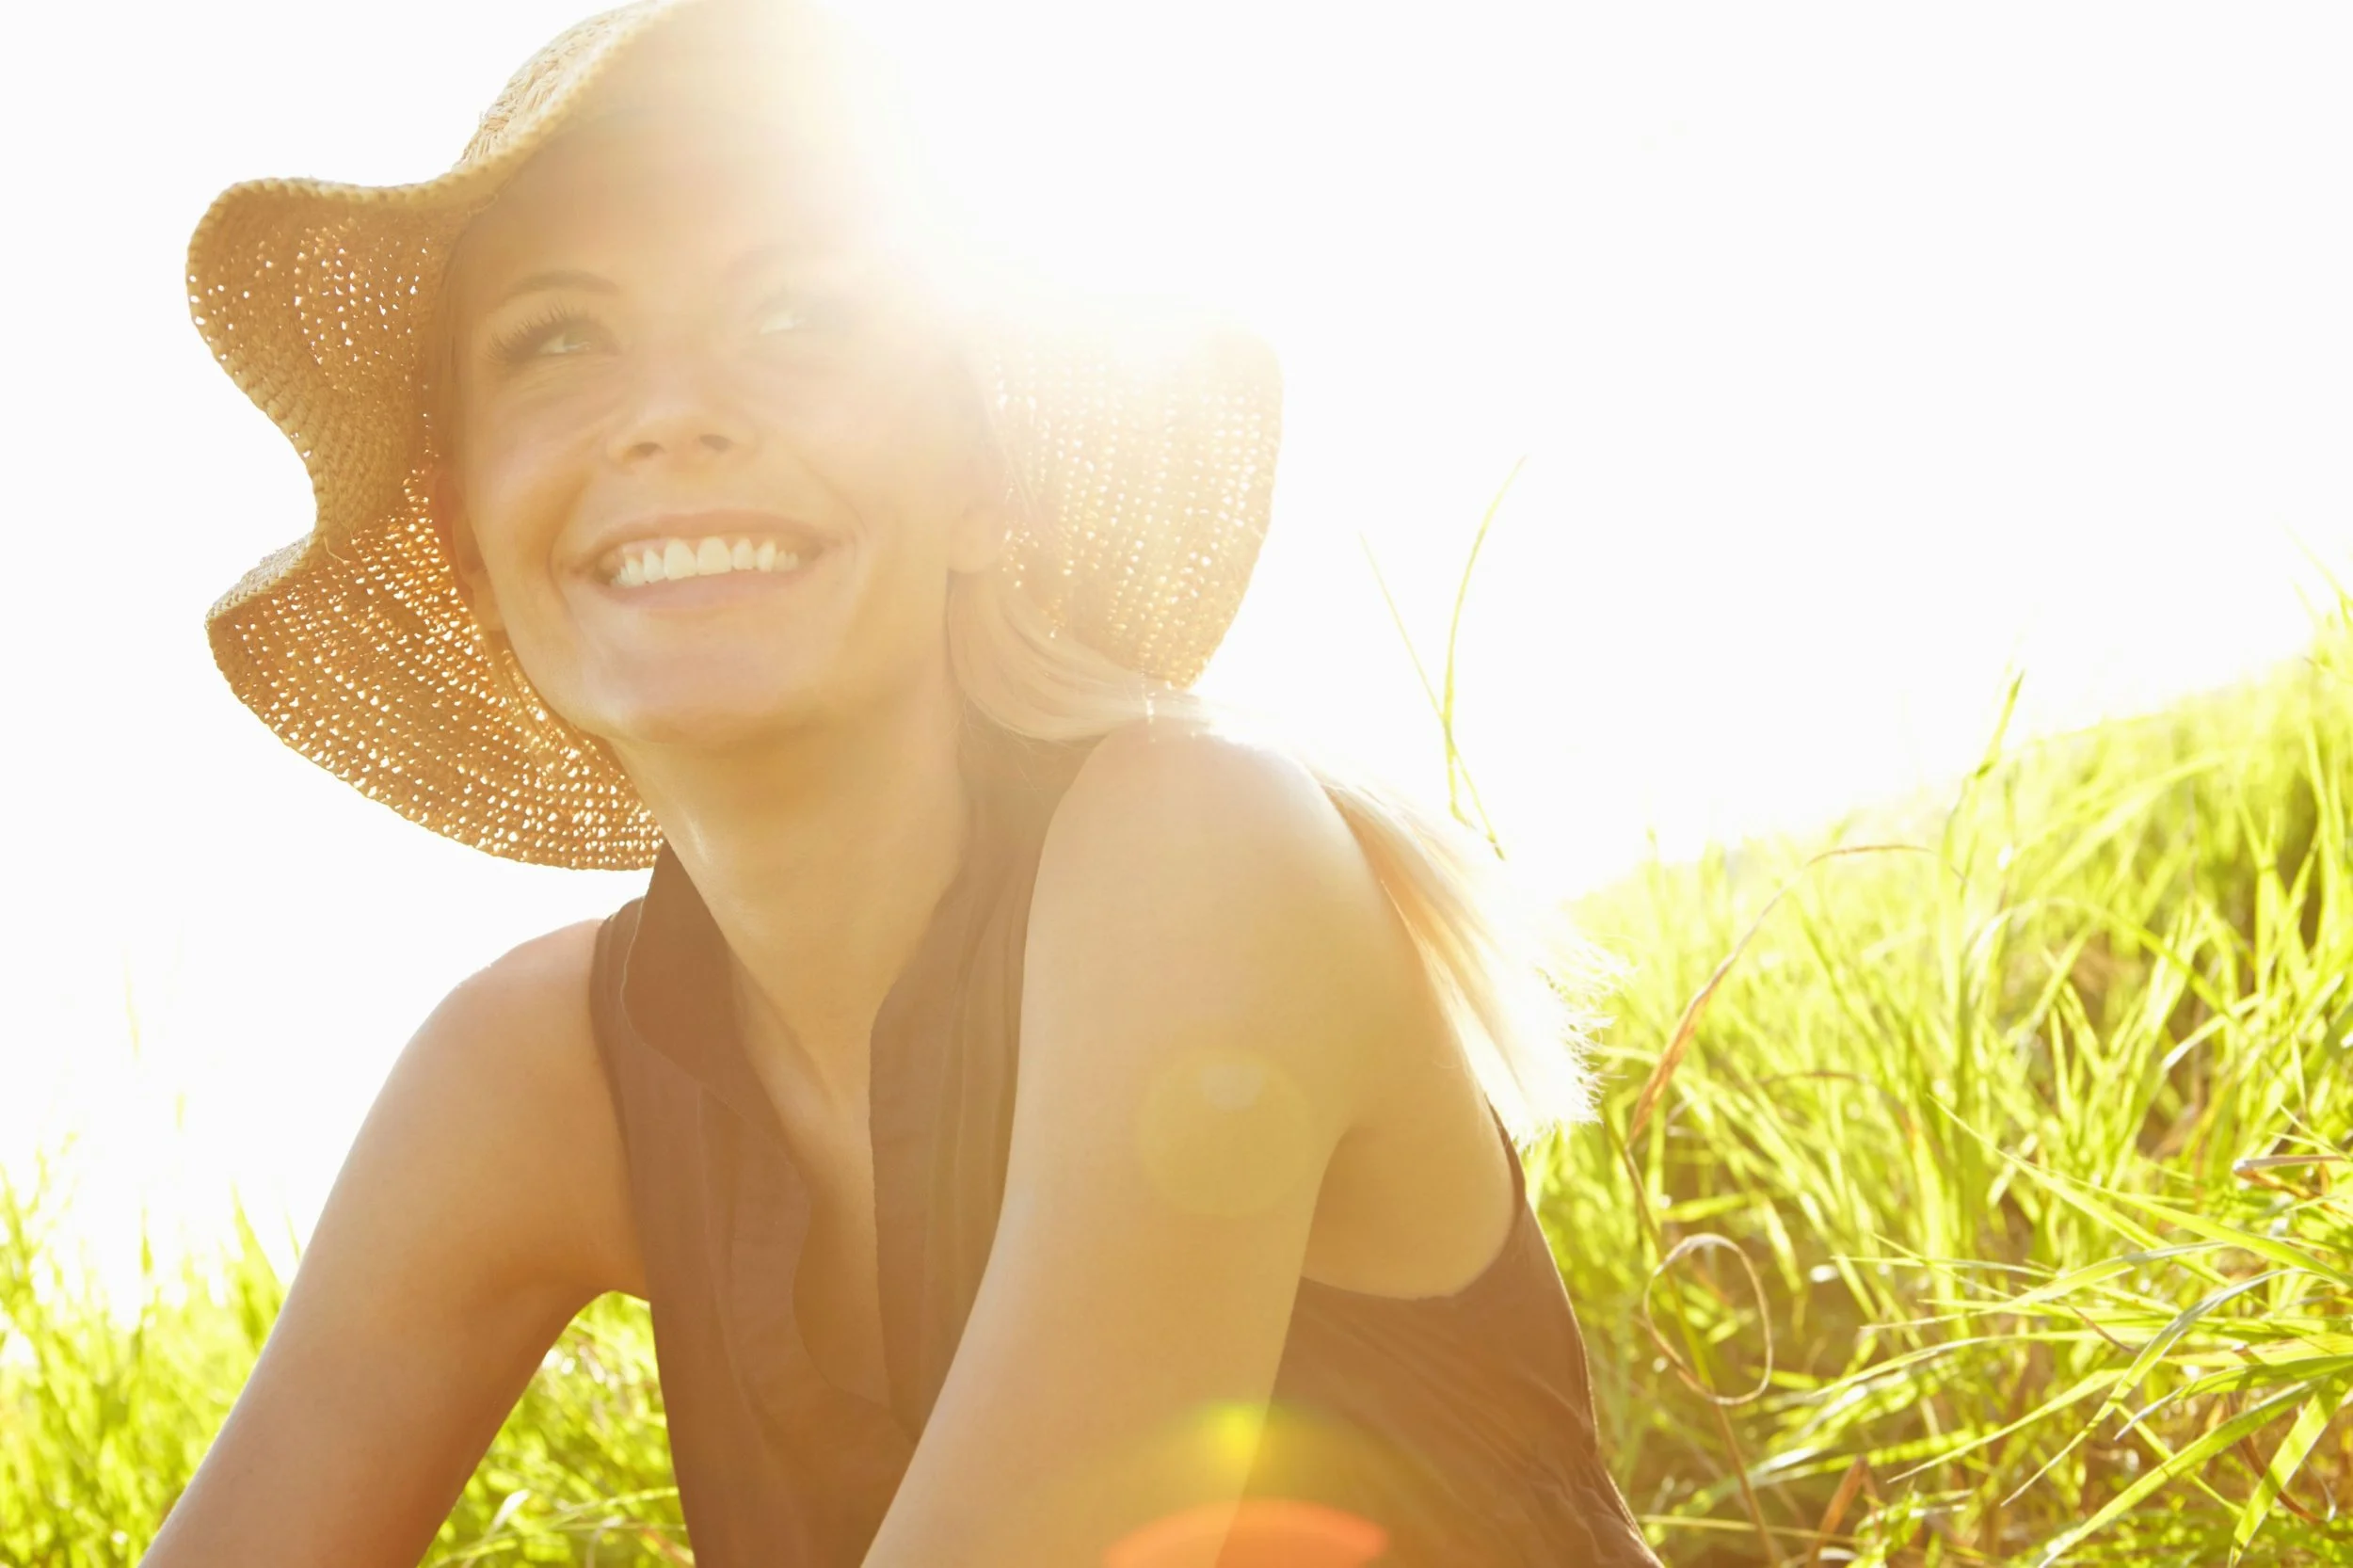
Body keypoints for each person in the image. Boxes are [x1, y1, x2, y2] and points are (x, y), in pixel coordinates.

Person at [151, 2, 1662, 1563]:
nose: (671, 412)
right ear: (465, 534)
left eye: (799, 317)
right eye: (559, 338)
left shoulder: (1195, 856)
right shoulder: (529, 1073)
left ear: (980, 477)